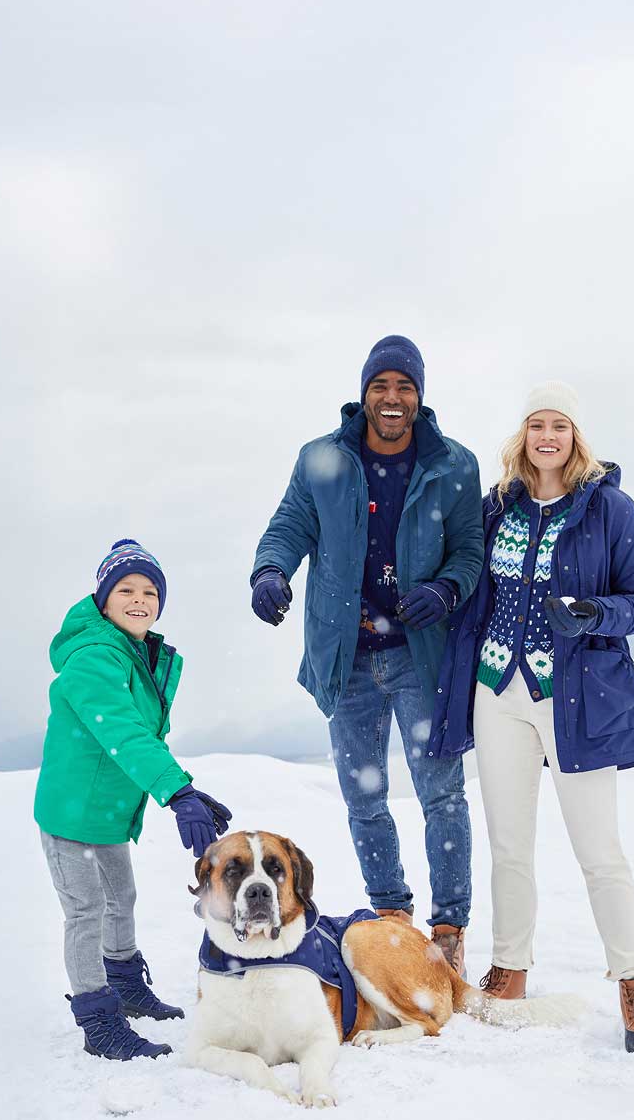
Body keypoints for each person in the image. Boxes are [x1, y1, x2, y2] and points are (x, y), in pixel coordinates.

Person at [429, 382, 634, 1057]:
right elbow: (466, 577)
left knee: (600, 852)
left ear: (576, 437)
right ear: (523, 436)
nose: (548, 436)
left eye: (559, 424)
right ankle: (510, 966)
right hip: (496, 689)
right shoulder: (495, 508)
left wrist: (596, 614)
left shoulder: (610, 510)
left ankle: (633, 982)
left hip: (575, 698)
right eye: (537, 423)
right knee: (509, 842)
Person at [250, 335, 484, 974]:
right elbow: (288, 528)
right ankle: (391, 919)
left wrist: (445, 588)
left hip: (420, 656)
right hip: (346, 658)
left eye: (404, 387)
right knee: (364, 799)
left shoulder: (454, 466)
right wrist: (270, 573)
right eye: (381, 385)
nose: (392, 398)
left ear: (419, 396)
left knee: (443, 795)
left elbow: (470, 552)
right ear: (364, 393)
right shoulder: (324, 459)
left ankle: (448, 928)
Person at [34, 539, 233, 1061]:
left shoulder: (137, 654)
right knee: (85, 912)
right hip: (71, 812)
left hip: (106, 813)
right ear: (103, 599)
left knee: (121, 901)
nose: (139, 599)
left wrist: (185, 788)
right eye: (125, 589)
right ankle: (97, 1018)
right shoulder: (94, 656)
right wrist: (175, 791)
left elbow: (145, 736)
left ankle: (122, 984)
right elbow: (120, 730)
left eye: (150, 591)